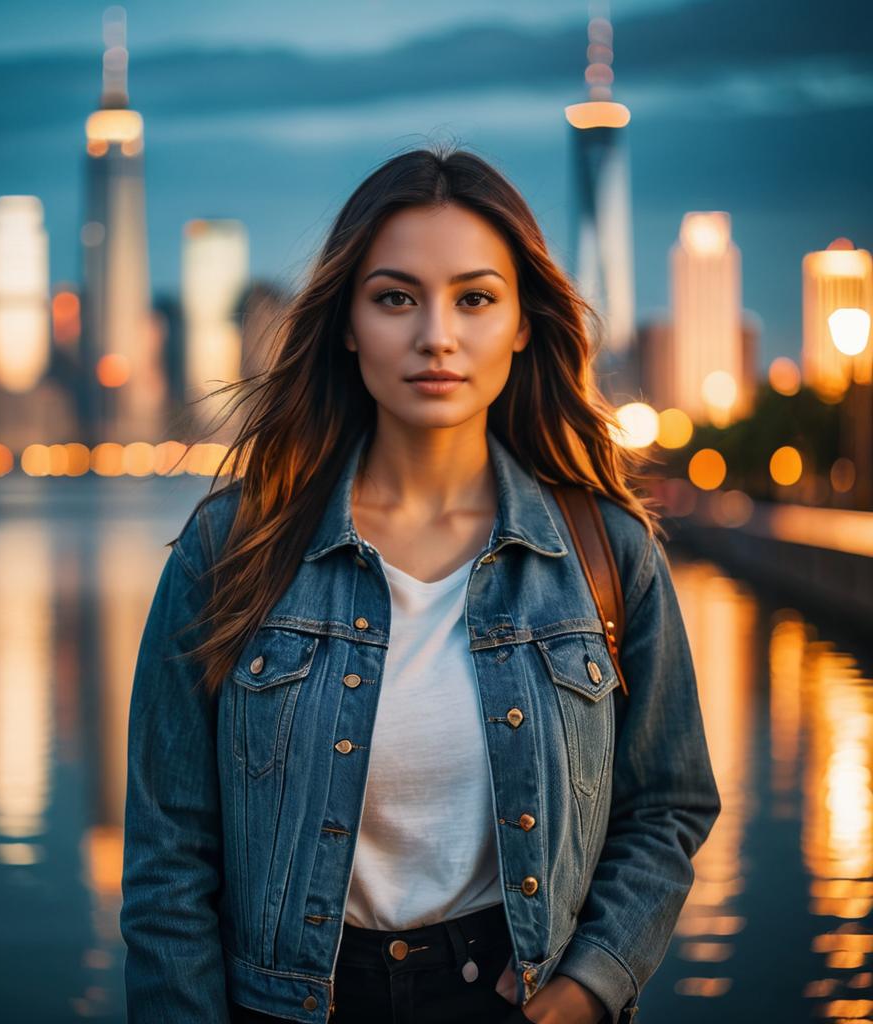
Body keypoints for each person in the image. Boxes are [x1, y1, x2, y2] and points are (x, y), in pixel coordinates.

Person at [120, 145, 722, 1024]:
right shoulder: (232, 548)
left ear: (522, 323)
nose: (436, 334)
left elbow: (666, 806)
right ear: (347, 322)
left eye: (475, 298)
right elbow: (169, 860)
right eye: (396, 297)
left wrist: (591, 986)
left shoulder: (606, 552)